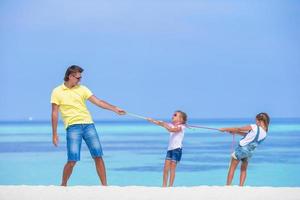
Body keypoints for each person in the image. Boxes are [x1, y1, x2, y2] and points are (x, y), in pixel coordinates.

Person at [51, 65, 126, 186]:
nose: (80, 80)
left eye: (80, 78)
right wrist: (54, 134)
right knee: (72, 160)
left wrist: (115, 109)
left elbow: (99, 102)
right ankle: (63, 184)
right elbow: (54, 113)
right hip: (73, 127)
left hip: (88, 125)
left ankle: (104, 186)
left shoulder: (83, 89)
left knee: (98, 155)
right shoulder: (57, 91)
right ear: (70, 76)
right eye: (78, 78)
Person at [219, 112, 270, 186]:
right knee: (243, 169)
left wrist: (224, 129)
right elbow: (248, 135)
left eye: (256, 120)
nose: (255, 122)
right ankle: (241, 186)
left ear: (259, 120)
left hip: (241, 149)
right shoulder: (265, 133)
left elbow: (238, 128)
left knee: (232, 167)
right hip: (249, 152)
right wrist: (235, 132)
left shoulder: (254, 127)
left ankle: (228, 186)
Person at [147, 110, 187, 187]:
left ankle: (170, 186)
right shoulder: (171, 125)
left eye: (175, 115)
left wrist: (164, 124)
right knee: (165, 168)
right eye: (173, 114)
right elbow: (159, 123)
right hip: (170, 149)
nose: (173, 116)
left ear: (181, 119)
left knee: (172, 169)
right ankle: (164, 185)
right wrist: (151, 120)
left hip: (177, 149)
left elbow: (172, 130)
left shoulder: (182, 127)